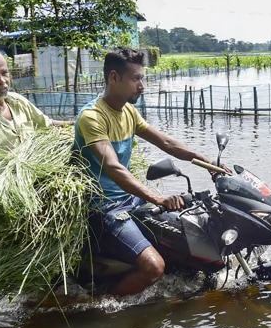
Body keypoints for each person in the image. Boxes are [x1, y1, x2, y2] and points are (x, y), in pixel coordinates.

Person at [74, 47, 220, 296]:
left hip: (130, 199)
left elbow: (167, 143)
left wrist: (209, 164)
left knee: (184, 234)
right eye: (135, 79)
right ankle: (99, 305)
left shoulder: (128, 111)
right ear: (113, 77)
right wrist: (158, 198)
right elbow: (113, 167)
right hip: (105, 208)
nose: (142, 85)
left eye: (142, 78)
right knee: (154, 267)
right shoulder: (92, 117)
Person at [0, 46, 73, 151]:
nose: (2, 81)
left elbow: (47, 124)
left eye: (4, 73)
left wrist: (75, 124)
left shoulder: (18, 102)